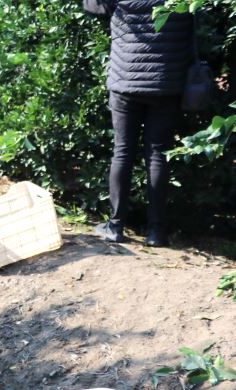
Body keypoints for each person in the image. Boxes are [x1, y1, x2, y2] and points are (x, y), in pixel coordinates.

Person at [84, 0, 194, 246]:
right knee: (158, 155)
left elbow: (92, 6)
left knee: (122, 152)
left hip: (125, 83)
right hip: (166, 82)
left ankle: (115, 226)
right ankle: (156, 232)